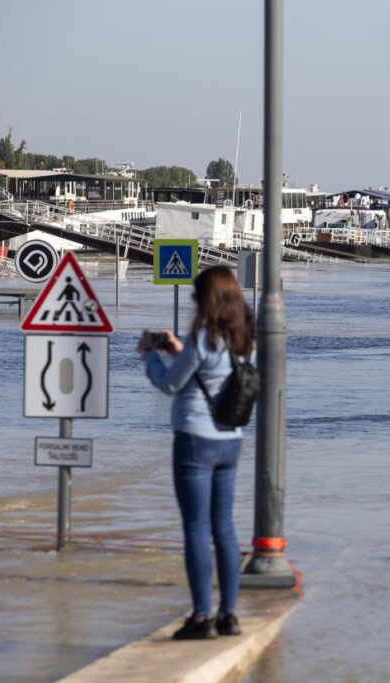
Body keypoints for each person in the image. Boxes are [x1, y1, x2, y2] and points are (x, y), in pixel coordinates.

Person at [137, 266, 253, 640]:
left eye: (195, 295)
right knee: (225, 529)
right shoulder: (245, 337)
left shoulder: (204, 335)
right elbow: (214, 369)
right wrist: (181, 349)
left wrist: (149, 356)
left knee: (196, 529)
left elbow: (170, 385)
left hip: (194, 440)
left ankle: (202, 618)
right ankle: (229, 615)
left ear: (206, 299)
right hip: (230, 439)